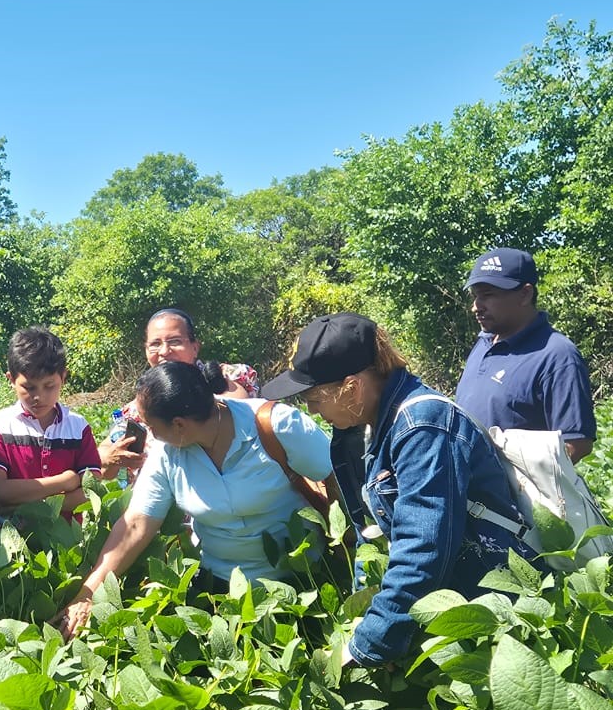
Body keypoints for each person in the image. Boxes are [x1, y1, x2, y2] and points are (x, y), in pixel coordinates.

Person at [263, 313, 536, 667]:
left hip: (489, 610)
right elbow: (370, 531)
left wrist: (374, 640)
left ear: (352, 386)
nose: (312, 411)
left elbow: (423, 547)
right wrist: (367, 610)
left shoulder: (422, 426)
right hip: (439, 605)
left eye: (314, 399)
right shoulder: (360, 427)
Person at [54, 360, 331, 640]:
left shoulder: (275, 425)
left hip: (303, 583)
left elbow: (337, 479)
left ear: (179, 425)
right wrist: (87, 594)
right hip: (220, 592)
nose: (149, 433)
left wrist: (351, 550)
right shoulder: (168, 452)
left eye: (151, 426)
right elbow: (136, 523)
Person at [455, 248, 596, 463]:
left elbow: (575, 444)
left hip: (512, 496)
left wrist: (515, 485)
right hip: (464, 491)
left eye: (488, 295)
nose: (476, 306)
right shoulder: (484, 343)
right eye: (475, 296)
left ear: (525, 294)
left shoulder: (556, 356)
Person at [99, 308, 261, 478]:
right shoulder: (141, 404)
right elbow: (102, 451)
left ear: (195, 347)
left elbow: (239, 418)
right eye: (155, 344)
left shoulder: (227, 377)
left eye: (174, 341)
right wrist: (112, 457)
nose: (164, 351)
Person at [0, 327, 102, 521]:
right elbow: (0, 490)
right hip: (14, 544)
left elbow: (91, 491)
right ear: (11, 380)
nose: (39, 397)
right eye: (29, 387)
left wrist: (23, 507)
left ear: (63, 377)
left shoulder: (79, 427)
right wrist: (66, 481)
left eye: (49, 386)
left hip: (70, 543)